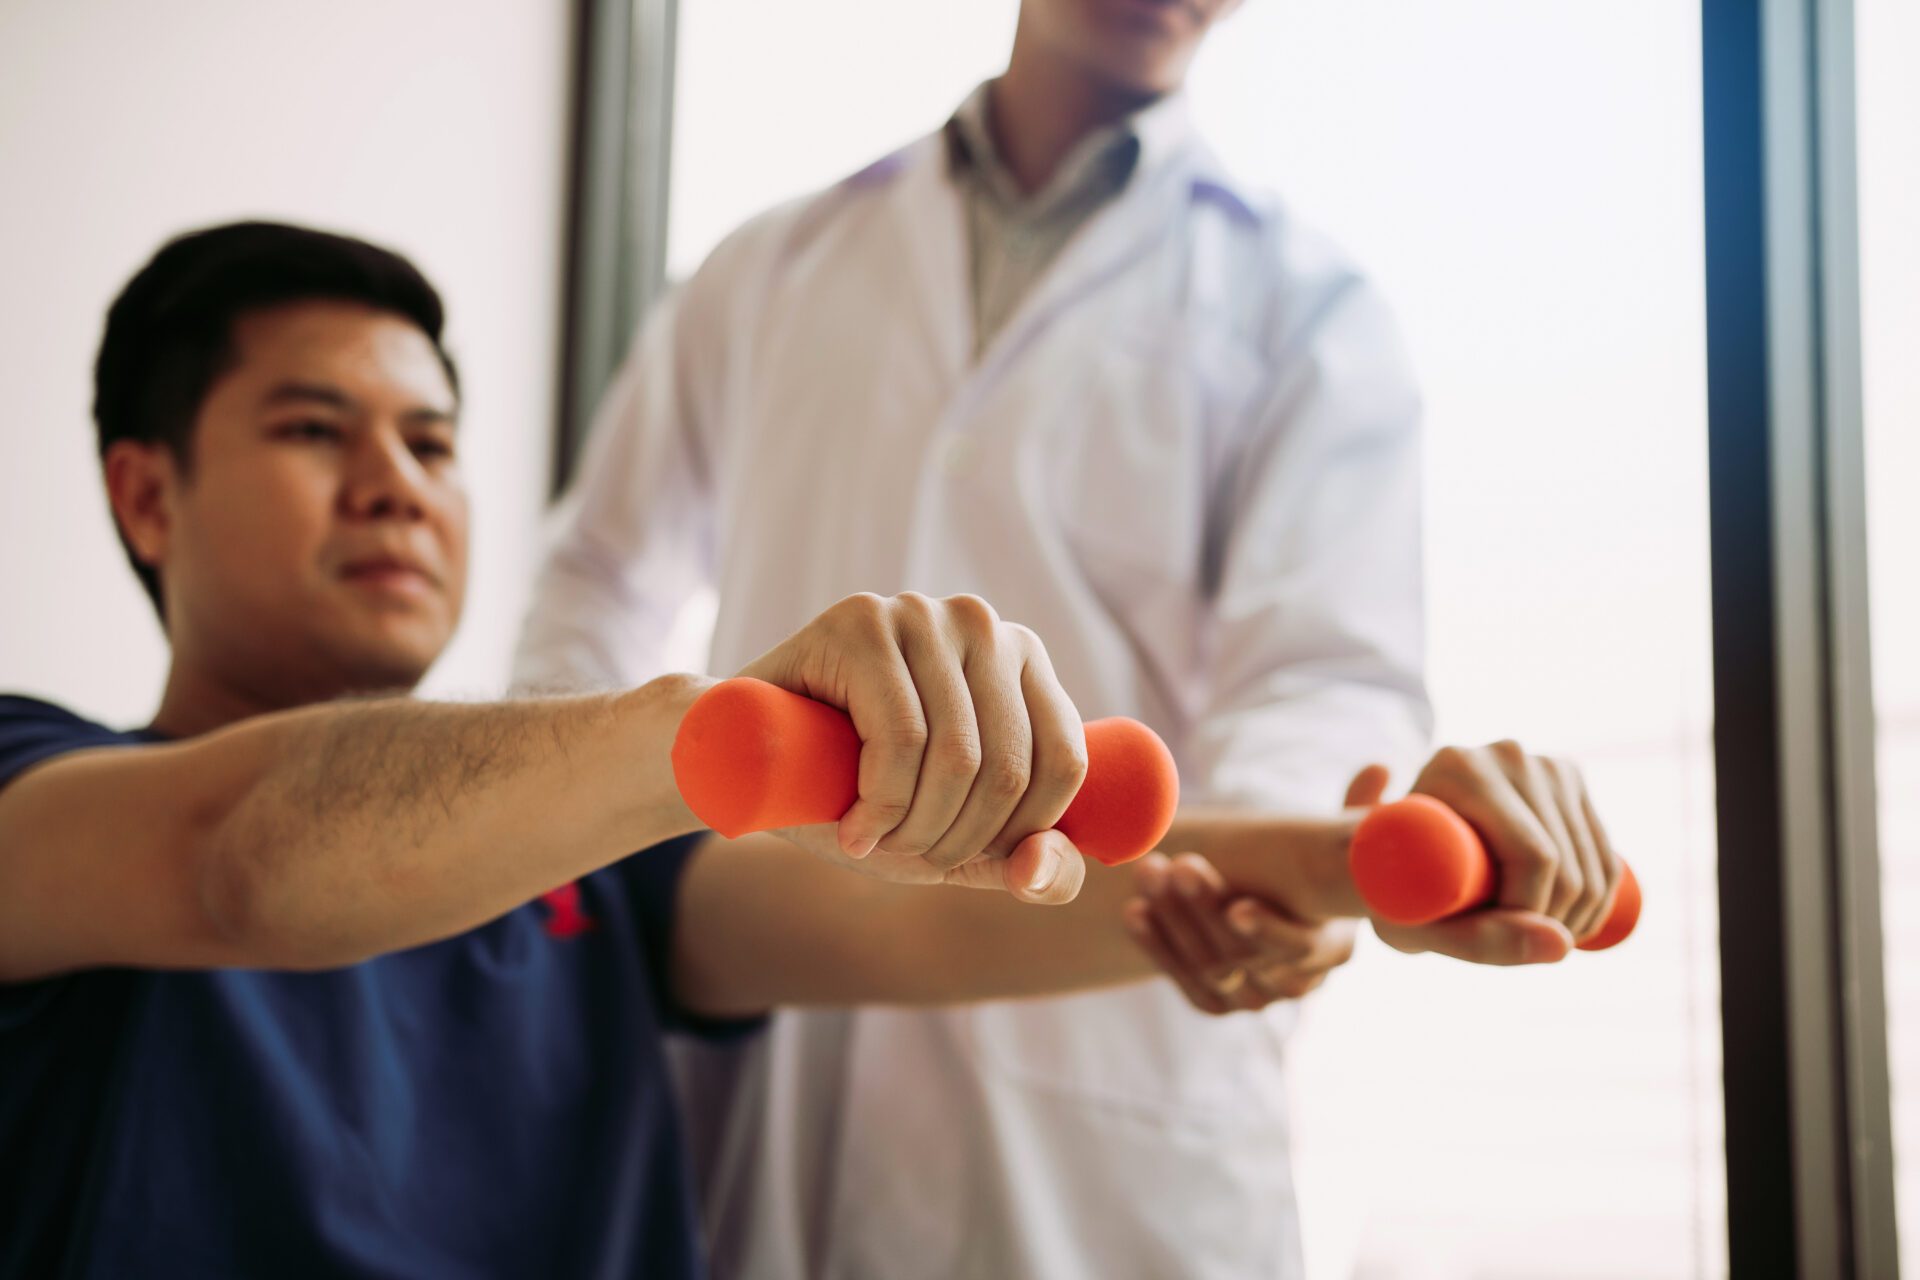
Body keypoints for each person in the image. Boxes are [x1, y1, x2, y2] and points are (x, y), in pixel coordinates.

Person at [0, 222, 1601, 1279]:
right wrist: (705, 732)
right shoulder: (36, 792)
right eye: (311, 429)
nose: (396, 483)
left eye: (430, 442)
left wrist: (1344, 873)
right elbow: (238, 860)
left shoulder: (603, 896)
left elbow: (934, 906)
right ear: (147, 496)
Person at [514, 0, 1628, 1275]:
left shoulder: (1308, 308)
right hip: (773, 1006)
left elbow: (1323, 674)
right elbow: (594, 581)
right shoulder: (773, 262)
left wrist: (1280, 871)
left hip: (1110, 1027)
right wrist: (575, 876)